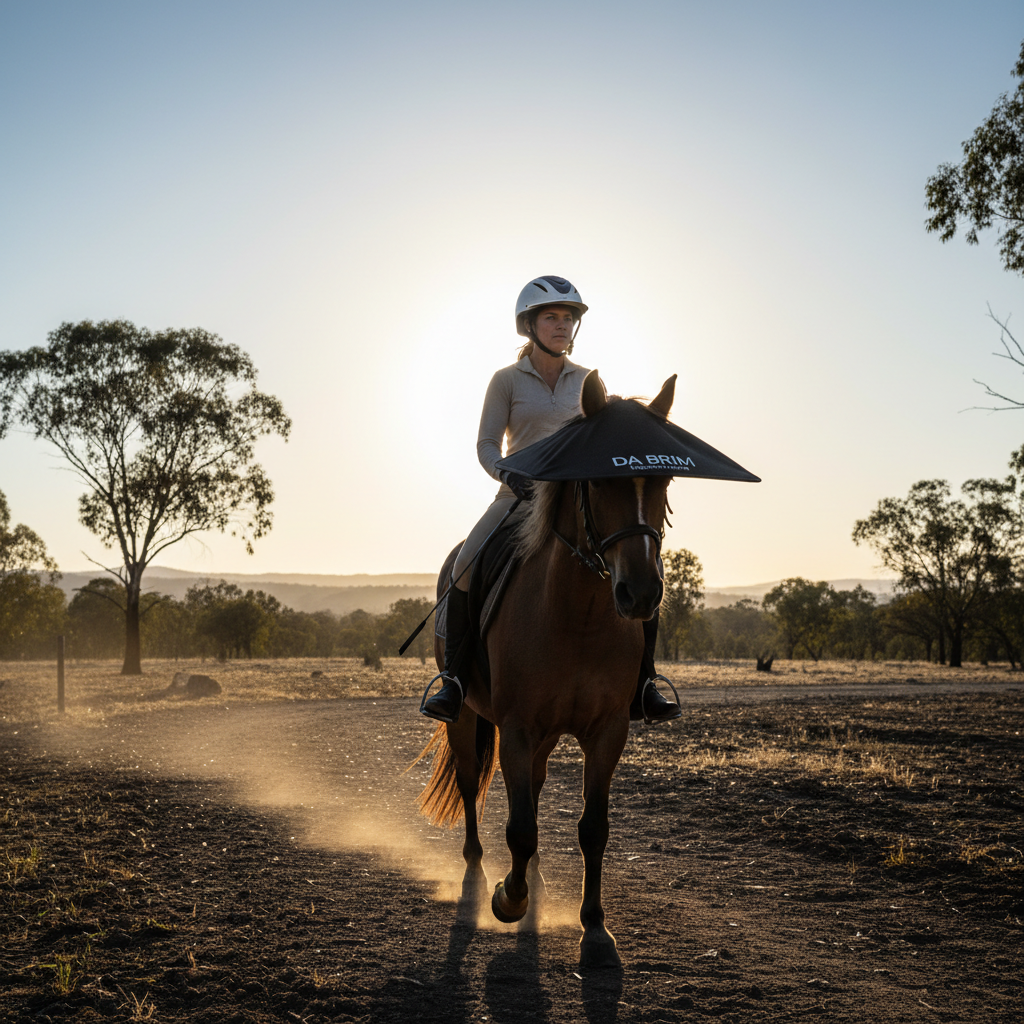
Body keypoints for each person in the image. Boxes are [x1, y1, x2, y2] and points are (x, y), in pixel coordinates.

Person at [421, 275, 681, 726]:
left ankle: (644, 682)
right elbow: (486, 445)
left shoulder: (589, 383)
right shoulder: (505, 381)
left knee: (641, 565)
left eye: (568, 319)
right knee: (464, 563)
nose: (561, 326)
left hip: (573, 502)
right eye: (551, 318)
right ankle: (456, 680)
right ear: (530, 325)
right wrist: (509, 473)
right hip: (516, 497)